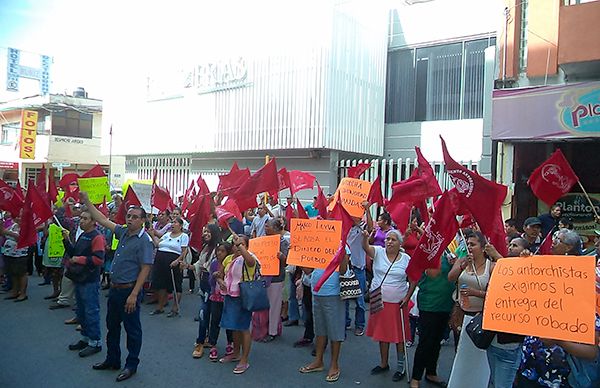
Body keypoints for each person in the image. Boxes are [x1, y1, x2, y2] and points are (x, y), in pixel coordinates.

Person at [81, 192, 154, 382]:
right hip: (114, 289)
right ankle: (112, 359)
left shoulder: (144, 241)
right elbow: (103, 220)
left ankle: (131, 365)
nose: (130, 219)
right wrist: (87, 202)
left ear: (143, 220)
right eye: (129, 216)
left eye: (135, 217)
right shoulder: (122, 232)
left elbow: (146, 268)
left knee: (132, 330)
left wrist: (134, 294)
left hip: (129, 291)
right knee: (112, 326)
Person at [517, 228, 598, 387]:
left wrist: (558, 340)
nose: (552, 242)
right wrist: (525, 265)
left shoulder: (587, 300)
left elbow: (592, 352)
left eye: (558, 240)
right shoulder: (545, 273)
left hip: (560, 377)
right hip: (529, 369)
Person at [362, 229, 417, 382]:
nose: (389, 242)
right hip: (378, 300)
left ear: (400, 243)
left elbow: (414, 279)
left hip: (398, 304)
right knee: (382, 334)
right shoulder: (378, 252)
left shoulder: (406, 259)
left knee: (399, 337)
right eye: (387, 239)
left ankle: (401, 367)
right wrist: (365, 238)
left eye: (393, 239)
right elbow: (366, 248)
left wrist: (407, 297)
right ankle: (383, 363)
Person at [447, 231, 494, 388]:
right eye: (467, 244)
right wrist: (461, 266)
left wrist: (476, 293)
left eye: (473, 244)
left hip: (480, 318)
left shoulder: (491, 267)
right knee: (460, 354)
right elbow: (450, 278)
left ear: (483, 247)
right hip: (461, 314)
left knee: (479, 357)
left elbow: (496, 296)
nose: (469, 247)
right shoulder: (462, 261)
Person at [298, 247, 350, 383]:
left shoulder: (341, 245)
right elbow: (308, 270)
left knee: (335, 330)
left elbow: (344, 270)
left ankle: (334, 365)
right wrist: (298, 255)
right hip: (317, 292)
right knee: (320, 330)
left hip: (333, 293)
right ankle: (318, 361)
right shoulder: (317, 243)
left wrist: (343, 254)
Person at [63, 210, 106, 357]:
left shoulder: (97, 237)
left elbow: (99, 260)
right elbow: (74, 252)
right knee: (81, 310)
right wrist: (66, 241)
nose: (81, 221)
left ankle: (95, 342)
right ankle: (85, 338)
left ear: (93, 221)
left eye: (85, 218)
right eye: (81, 218)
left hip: (90, 280)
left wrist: (79, 260)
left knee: (91, 311)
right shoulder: (83, 235)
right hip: (79, 278)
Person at [409, 252, 455, 388]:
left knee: (436, 341)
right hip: (429, 304)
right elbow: (432, 273)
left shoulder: (449, 252)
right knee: (425, 342)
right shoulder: (428, 252)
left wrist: (456, 263)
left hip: (445, 304)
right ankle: (415, 377)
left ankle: (431, 372)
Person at [217, 234, 258, 374]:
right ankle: (235, 353)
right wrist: (220, 281)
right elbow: (221, 274)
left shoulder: (249, 257)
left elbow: (251, 263)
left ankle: (244, 360)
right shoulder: (230, 259)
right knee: (234, 326)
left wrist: (241, 247)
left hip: (243, 297)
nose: (238, 247)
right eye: (236, 244)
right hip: (230, 295)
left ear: (247, 246)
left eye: (242, 244)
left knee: (244, 327)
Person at [192, 223, 222, 356]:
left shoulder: (218, 249)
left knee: (206, 314)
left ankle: (201, 342)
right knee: (206, 313)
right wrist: (189, 266)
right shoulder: (205, 247)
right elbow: (199, 264)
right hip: (204, 283)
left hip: (213, 285)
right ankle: (206, 338)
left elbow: (216, 266)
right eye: (204, 232)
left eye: (208, 232)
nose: (205, 234)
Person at [149, 217, 189, 317]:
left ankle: (175, 308)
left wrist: (177, 260)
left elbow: (184, 251)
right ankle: (160, 307)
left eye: (175, 222)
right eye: (172, 222)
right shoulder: (166, 235)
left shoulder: (183, 236)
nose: (172, 224)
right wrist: (152, 236)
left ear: (180, 226)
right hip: (160, 261)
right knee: (161, 284)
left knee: (176, 284)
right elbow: (158, 244)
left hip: (173, 262)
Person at [345, 201, 373, 336]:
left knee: (359, 300)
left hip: (358, 269)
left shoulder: (362, 229)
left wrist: (367, 209)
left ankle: (360, 325)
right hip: (346, 269)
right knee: (344, 298)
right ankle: (345, 322)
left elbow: (371, 227)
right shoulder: (344, 229)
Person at [261, 218, 289, 342]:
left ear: (276, 229)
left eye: (268, 226)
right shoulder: (263, 241)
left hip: (276, 278)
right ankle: (265, 328)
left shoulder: (283, 242)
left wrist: (282, 257)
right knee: (265, 305)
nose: (265, 228)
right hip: (265, 276)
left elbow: (288, 262)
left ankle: (272, 331)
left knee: (274, 305)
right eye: (265, 226)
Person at [205, 242, 234, 361]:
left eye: (222, 251)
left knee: (229, 321)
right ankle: (213, 344)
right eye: (218, 250)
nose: (219, 253)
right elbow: (210, 283)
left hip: (228, 296)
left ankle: (230, 343)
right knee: (215, 321)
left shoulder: (231, 264)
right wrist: (214, 276)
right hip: (216, 296)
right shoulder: (214, 264)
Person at [0, 215, 30, 302]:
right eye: (17, 216)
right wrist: (1, 226)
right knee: (13, 273)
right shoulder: (13, 225)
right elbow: (2, 233)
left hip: (20, 254)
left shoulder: (26, 227)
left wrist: (6, 232)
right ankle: (15, 291)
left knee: (21, 273)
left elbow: (19, 238)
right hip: (9, 252)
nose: (18, 218)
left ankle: (23, 293)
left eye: (21, 217)